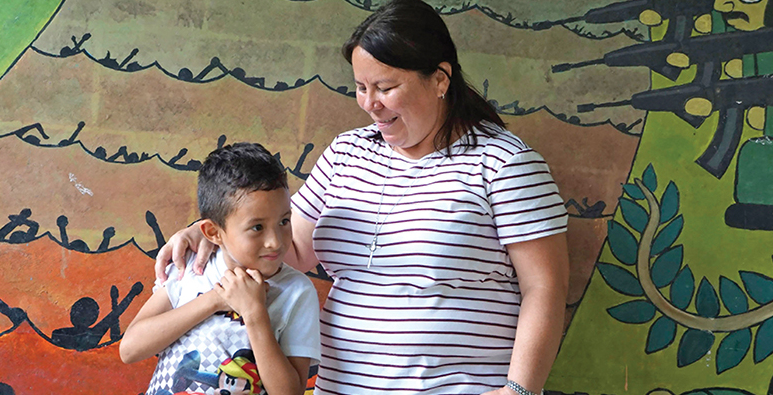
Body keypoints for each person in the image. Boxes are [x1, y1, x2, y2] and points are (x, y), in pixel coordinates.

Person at [155, 1, 569, 394]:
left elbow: (545, 286)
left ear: (440, 78)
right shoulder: (346, 153)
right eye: (360, 87)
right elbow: (290, 248)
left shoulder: (504, 163)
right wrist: (208, 231)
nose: (370, 104)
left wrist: (520, 389)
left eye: (385, 88)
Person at [121, 143, 321, 395]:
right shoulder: (192, 268)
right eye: (257, 227)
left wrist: (254, 312)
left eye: (284, 221)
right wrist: (215, 300)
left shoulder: (296, 292)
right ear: (213, 232)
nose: (276, 241)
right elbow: (130, 349)